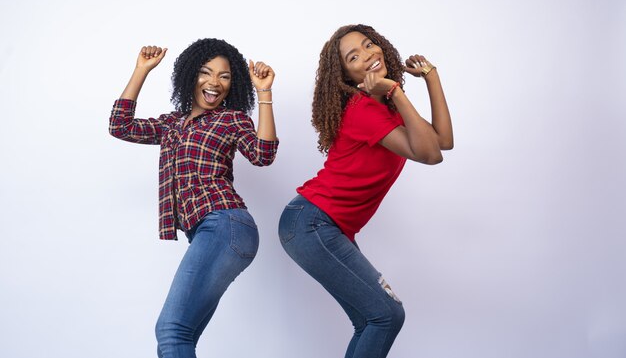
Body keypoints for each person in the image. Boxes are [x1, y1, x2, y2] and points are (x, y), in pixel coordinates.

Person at [278, 24, 453, 358]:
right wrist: (397, 93)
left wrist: (431, 77)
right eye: (353, 56)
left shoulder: (383, 109)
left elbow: (441, 142)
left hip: (321, 225)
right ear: (346, 74)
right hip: (311, 223)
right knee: (387, 316)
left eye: (369, 45)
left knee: (372, 320)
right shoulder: (363, 110)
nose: (368, 55)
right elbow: (430, 155)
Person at [109, 38, 278, 358]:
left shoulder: (232, 119)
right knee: (181, 335)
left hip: (225, 222)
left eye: (225, 76)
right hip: (211, 230)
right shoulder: (171, 123)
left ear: (234, 83)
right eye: (205, 72)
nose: (214, 82)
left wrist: (265, 94)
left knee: (170, 331)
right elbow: (120, 125)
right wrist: (141, 71)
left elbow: (263, 155)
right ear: (190, 76)